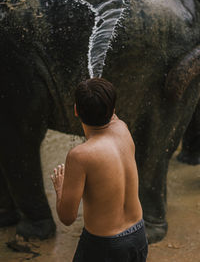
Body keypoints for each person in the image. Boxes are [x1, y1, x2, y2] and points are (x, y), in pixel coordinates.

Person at [51, 78, 148, 262]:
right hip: (138, 234)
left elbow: (67, 217)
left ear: (76, 110)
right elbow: (110, 113)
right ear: (113, 110)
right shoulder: (123, 129)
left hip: (104, 245)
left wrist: (59, 188)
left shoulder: (80, 156)